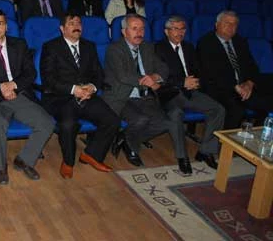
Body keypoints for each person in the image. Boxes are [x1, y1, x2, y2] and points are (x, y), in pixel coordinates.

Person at [0, 10, 55, 185]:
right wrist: (1, 87)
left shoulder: (20, 44)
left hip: (19, 94)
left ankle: (25, 160)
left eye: (1, 23)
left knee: (47, 123)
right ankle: (1, 167)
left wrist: (14, 85)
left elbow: (30, 73)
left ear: (7, 26)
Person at [40, 14, 120, 179]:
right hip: (61, 97)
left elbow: (99, 74)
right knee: (68, 124)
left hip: (86, 96)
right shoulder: (51, 47)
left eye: (78, 23)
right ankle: (68, 162)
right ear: (62, 29)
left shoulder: (89, 46)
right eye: (71, 23)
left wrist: (92, 87)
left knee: (112, 120)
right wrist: (73, 89)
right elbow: (49, 80)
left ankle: (92, 154)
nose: (76, 26)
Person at [102, 14, 174, 168]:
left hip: (144, 96)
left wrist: (155, 77)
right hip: (122, 97)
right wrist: (147, 81)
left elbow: (163, 68)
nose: (139, 32)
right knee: (140, 120)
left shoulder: (147, 47)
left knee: (165, 123)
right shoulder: (114, 49)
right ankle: (132, 149)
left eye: (142, 29)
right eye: (134, 28)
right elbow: (123, 76)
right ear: (124, 31)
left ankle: (124, 138)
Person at [154, 16, 225, 170]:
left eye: (182, 29)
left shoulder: (189, 47)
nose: (179, 32)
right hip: (170, 93)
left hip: (191, 91)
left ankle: (206, 151)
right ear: (166, 31)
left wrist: (197, 81)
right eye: (175, 29)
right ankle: (182, 156)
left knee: (218, 109)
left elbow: (199, 70)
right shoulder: (158, 48)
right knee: (176, 114)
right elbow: (160, 77)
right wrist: (182, 82)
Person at [197, 11, 273, 128]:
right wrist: (236, 87)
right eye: (227, 23)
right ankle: (226, 138)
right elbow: (212, 73)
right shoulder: (206, 42)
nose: (231, 27)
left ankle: (259, 131)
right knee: (236, 109)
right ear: (217, 25)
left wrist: (249, 84)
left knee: (267, 97)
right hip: (221, 87)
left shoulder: (239, 41)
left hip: (243, 85)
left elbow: (251, 66)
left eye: (234, 24)